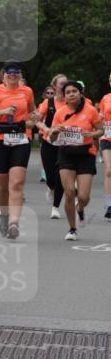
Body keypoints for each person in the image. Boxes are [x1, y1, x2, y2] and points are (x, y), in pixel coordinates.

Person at [0, 60, 37, 239]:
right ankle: (4, 215)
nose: (12, 74)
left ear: (20, 74)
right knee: (2, 185)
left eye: (16, 71)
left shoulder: (27, 91)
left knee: (17, 182)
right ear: (3, 74)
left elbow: (32, 112)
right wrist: (3, 112)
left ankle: (14, 222)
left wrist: (32, 120)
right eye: (9, 71)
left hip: (21, 139)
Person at [48, 81, 103, 240]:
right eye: (68, 92)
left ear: (80, 93)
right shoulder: (60, 113)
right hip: (66, 154)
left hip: (86, 154)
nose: (71, 94)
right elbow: (51, 136)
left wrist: (91, 135)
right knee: (70, 192)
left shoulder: (90, 110)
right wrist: (55, 131)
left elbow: (100, 130)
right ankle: (72, 229)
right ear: (64, 96)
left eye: (74, 91)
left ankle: (80, 208)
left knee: (84, 197)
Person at [35, 74, 67, 219]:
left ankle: (55, 207)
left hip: (65, 144)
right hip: (48, 142)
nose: (64, 85)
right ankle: (51, 186)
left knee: (59, 173)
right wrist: (46, 129)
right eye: (61, 83)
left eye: (66, 83)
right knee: (50, 175)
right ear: (54, 86)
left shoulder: (72, 102)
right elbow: (37, 120)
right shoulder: (48, 102)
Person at [98, 72, 111, 219]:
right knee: (109, 170)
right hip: (107, 136)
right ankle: (109, 205)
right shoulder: (106, 98)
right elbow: (101, 115)